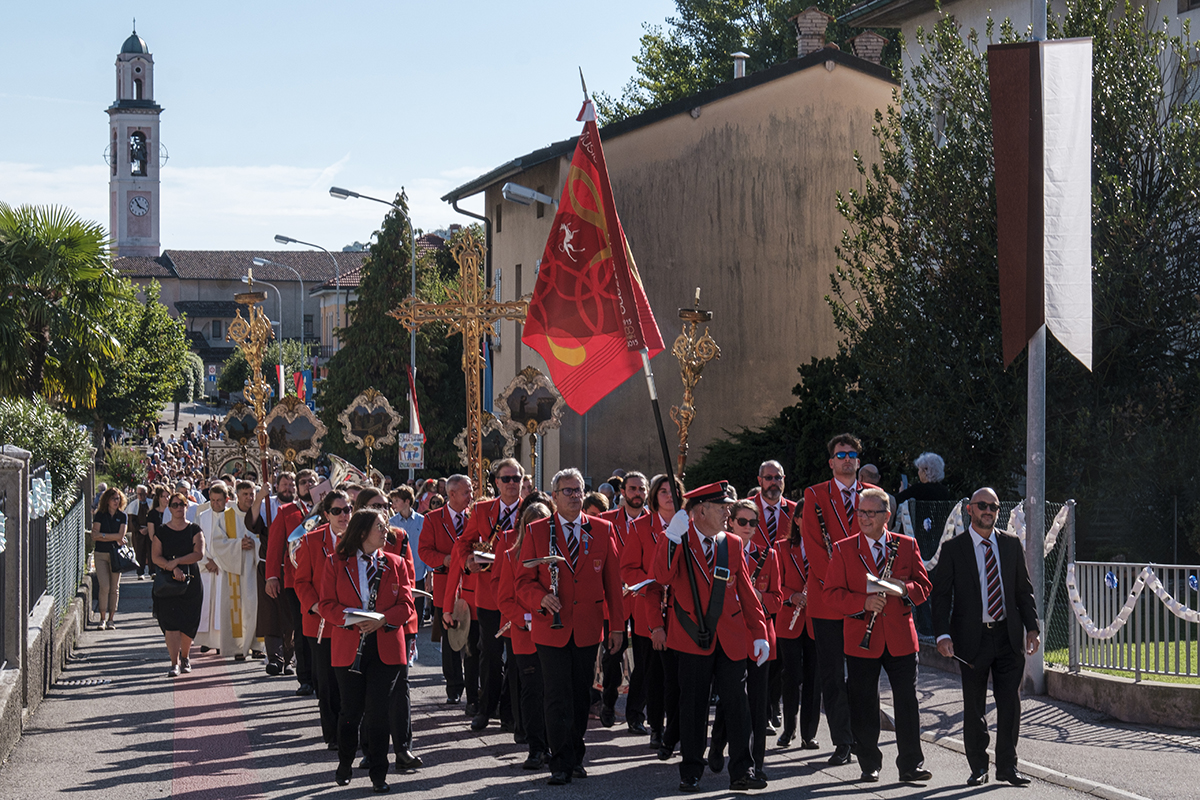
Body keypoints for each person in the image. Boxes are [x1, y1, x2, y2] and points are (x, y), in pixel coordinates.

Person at [657, 481, 769, 793]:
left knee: (737, 704)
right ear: (701, 510)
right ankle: (691, 770)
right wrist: (670, 538)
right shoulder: (680, 538)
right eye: (722, 508)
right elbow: (662, 576)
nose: (728, 513)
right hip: (693, 636)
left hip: (731, 637)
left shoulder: (730, 543)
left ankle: (741, 771)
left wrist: (759, 632)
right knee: (692, 705)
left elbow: (746, 592)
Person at [514, 468, 624, 786]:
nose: (575, 496)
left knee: (579, 694)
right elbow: (522, 580)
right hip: (552, 626)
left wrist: (617, 627)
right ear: (554, 497)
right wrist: (540, 598)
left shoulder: (602, 530)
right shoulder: (537, 531)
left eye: (579, 490)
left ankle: (576, 753)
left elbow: (613, 584)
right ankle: (559, 761)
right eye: (568, 491)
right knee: (556, 694)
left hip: (588, 627)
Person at [933, 487, 1040, 787]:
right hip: (971, 639)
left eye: (993, 506)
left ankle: (1007, 766)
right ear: (970, 509)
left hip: (1007, 637)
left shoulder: (1010, 545)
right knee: (974, 707)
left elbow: (1023, 591)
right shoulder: (955, 549)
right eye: (982, 506)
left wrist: (1032, 628)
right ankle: (978, 766)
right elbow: (940, 596)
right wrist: (942, 634)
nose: (989, 511)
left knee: (1009, 705)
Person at [825, 487, 932, 783]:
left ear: (887, 516)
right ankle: (869, 763)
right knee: (863, 703)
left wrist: (902, 589)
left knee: (907, 702)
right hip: (862, 637)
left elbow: (924, 587)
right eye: (861, 512)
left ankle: (911, 765)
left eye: (871, 513)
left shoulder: (906, 545)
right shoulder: (844, 548)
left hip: (900, 637)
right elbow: (831, 595)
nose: (865, 518)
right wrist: (863, 602)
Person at [318, 508, 415, 794]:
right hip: (350, 643)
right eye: (380, 527)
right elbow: (326, 604)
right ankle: (345, 762)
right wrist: (353, 619)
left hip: (385, 644)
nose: (386, 532)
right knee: (351, 711)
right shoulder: (335, 563)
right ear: (362, 532)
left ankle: (378, 773)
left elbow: (407, 605)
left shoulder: (395, 562)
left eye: (385, 526)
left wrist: (384, 618)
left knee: (379, 712)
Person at [801, 433, 877, 767]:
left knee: (862, 676)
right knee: (832, 675)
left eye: (852, 454)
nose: (847, 459)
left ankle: (863, 739)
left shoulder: (873, 497)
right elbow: (814, 546)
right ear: (831, 461)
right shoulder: (815, 495)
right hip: (827, 599)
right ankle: (842, 740)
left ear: (858, 461)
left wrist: (860, 591)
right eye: (840, 454)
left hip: (864, 600)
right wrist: (836, 584)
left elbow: (877, 543)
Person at [446, 459, 524, 732]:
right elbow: (463, 542)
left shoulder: (533, 509)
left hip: (519, 594)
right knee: (489, 654)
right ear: (496, 483)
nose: (512, 483)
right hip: (489, 593)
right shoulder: (481, 510)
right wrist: (468, 560)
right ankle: (485, 708)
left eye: (516, 478)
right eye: (506, 479)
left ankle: (511, 712)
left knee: (517, 656)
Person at [708, 499, 781, 782]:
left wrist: (757, 597)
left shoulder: (768, 555)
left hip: (760, 635)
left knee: (758, 704)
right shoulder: (718, 551)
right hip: (731, 634)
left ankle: (756, 764)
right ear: (730, 522)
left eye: (753, 522)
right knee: (732, 700)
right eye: (742, 522)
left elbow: (777, 598)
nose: (748, 528)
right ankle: (717, 743)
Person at [357, 486, 423, 772]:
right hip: (361, 626)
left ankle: (404, 748)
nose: (383, 511)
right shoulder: (353, 540)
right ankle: (371, 749)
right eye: (375, 506)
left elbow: (407, 581)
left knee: (400, 690)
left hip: (397, 622)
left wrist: (392, 617)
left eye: (385, 505)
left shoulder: (398, 536)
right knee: (367, 692)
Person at [622, 472, 683, 758]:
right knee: (654, 672)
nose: (669, 495)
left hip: (683, 610)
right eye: (663, 491)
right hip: (651, 608)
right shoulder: (640, 527)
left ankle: (678, 727)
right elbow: (628, 568)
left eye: (674, 490)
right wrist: (652, 582)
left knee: (679, 674)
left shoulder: (688, 525)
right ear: (654, 496)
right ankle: (657, 727)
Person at [496, 495, 553, 770]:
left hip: (554, 633)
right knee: (532, 692)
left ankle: (554, 744)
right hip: (525, 634)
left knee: (553, 692)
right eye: (531, 524)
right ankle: (536, 748)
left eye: (542, 523)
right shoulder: (511, 555)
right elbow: (505, 598)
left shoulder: (556, 554)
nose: (536, 529)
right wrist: (525, 618)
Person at [295, 489, 349, 751]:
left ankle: (352, 729)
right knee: (327, 683)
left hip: (351, 623)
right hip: (321, 625)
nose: (343, 515)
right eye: (337, 511)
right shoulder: (311, 541)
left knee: (350, 681)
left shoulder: (360, 538)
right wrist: (316, 605)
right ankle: (334, 734)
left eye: (347, 509)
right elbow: (302, 581)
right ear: (326, 514)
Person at [418, 474, 478, 708]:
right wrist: (445, 559)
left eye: (471, 492)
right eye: (466, 493)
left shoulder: (475, 516)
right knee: (451, 635)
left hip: (473, 584)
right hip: (446, 584)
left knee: (473, 635)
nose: (470, 497)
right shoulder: (433, 519)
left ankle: (474, 685)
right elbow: (424, 551)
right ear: (451, 494)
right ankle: (454, 686)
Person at [602, 471, 650, 735]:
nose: (637, 494)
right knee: (612, 657)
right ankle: (608, 702)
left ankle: (635, 714)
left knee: (642, 660)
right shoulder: (606, 522)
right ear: (622, 492)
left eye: (641, 489)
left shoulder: (653, 523)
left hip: (643, 600)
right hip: (615, 600)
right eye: (632, 489)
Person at [752, 460, 796, 731]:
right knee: (761, 657)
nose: (773, 483)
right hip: (756, 591)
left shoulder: (793, 511)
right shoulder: (745, 510)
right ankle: (763, 709)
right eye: (768, 478)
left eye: (777, 477)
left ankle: (773, 705)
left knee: (781, 659)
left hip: (785, 595)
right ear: (759, 480)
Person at [267, 469, 318, 694]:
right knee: (302, 628)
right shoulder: (286, 511)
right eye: (304, 482)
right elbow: (275, 546)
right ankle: (305, 678)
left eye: (312, 482)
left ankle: (322, 675)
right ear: (297, 487)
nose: (308, 485)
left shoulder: (331, 510)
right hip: (295, 580)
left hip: (326, 579)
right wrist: (271, 577)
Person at [195, 481, 259, 660]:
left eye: (251, 494)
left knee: (254, 607)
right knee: (231, 608)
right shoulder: (219, 516)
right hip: (230, 569)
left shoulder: (258, 514)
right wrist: (237, 545)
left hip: (250, 568)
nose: (249, 497)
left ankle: (256, 645)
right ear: (238, 495)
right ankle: (235, 647)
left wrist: (254, 544)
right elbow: (216, 542)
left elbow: (266, 538)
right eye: (245, 494)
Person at [775, 505, 819, 751]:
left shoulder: (824, 549)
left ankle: (809, 733)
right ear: (798, 519)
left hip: (815, 619)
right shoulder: (781, 548)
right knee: (791, 676)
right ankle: (789, 728)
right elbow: (775, 582)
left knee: (814, 677)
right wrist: (791, 596)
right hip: (789, 618)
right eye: (806, 517)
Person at [151, 491, 206, 677]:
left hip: (190, 581)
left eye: (181, 504)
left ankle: (185, 656)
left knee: (188, 622)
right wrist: (171, 567)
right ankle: (174, 662)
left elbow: (199, 553)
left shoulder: (194, 529)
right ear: (169, 508)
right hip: (167, 583)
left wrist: (178, 562)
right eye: (174, 505)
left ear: (186, 506)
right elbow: (155, 556)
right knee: (170, 623)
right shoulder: (162, 531)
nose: (178, 508)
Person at [91, 487, 128, 630]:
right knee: (104, 586)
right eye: (113, 498)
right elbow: (94, 536)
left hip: (115, 555)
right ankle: (102, 618)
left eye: (118, 498)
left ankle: (111, 619)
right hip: (100, 554)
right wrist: (111, 537)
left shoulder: (122, 516)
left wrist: (103, 535)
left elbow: (121, 536)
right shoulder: (100, 515)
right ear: (107, 500)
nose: (116, 501)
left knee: (114, 588)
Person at [124, 485, 152, 580]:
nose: (140, 496)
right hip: (138, 533)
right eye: (138, 494)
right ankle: (140, 572)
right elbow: (132, 520)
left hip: (150, 531)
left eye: (142, 494)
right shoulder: (133, 505)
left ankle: (152, 572)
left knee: (151, 551)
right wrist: (139, 529)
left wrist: (148, 528)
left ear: (146, 493)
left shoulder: (151, 504)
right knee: (140, 552)